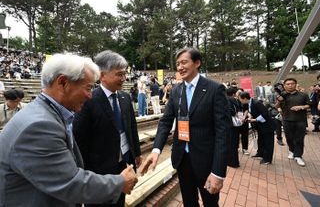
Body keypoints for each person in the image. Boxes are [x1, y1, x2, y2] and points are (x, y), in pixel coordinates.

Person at [0, 54, 138, 207]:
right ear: (63, 82)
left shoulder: (45, 115)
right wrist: (120, 183)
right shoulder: (40, 127)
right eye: (88, 88)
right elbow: (70, 182)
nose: (90, 95)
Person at [139, 47, 229, 207]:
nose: (180, 67)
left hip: (206, 162)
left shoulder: (214, 89)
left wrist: (218, 172)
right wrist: (156, 150)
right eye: (177, 63)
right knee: (189, 202)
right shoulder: (176, 90)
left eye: (184, 62)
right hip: (182, 159)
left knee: (210, 203)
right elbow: (166, 121)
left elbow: (223, 132)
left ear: (197, 63)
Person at [73, 51, 142, 207]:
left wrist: (136, 153)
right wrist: (83, 174)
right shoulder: (89, 100)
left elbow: (131, 127)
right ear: (102, 75)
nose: (123, 78)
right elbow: (80, 139)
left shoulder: (124, 98)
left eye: (125, 74)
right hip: (99, 172)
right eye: (119, 74)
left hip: (122, 165)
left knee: (120, 202)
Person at [275, 78, 310, 167]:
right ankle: (291, 150)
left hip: (300, 120)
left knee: (299, 139)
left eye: (292, 83)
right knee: (289, 138)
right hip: (287, 120)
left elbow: (308, 105)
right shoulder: (282, 95)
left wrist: (301, 107)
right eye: (288, 84)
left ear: (295, 84)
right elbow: (276, 106)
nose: (290, 85)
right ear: (284, 86)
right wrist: (279, 102)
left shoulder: (303, 95)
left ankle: (298, 156)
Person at [239, 92, 275, 165]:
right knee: (261, 140)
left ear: (245, 99)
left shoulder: (256, 103)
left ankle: (267, 159)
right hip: (260, 126)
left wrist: (254, 120)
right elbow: (253, 112)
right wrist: (250, 117)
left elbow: (265, 114)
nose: (240, 101)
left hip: (267, 126)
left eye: (240, 99)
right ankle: (260, 153)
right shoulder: (249, 103)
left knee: (268, 142)